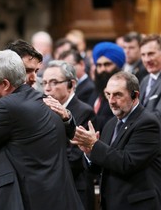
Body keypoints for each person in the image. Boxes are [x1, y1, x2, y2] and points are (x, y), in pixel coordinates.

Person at [0, 50, 84, 210]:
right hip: (56, 196)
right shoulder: (43, 99)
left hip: (29, 198)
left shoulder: (6, 106)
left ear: (5, 84)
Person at [72, 71, 161, 210]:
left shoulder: (147, 123)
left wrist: (94, 145)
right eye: (108, 94)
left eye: (118, 95)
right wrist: (89, 152)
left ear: (135, 95)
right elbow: (101, 167)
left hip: (138, 205)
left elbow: (127, 163)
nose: (111, 101)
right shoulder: (110, 124)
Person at [42, 60, 96, 210]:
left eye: (53, 82)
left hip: (75, 189)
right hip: (50, 190)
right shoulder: (43, 111)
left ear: (71, 84)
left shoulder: (84, 111)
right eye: (44, 82)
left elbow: (76, 157)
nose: (47, 88)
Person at [89, 41, 125, 132]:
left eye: (107, 64)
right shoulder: (96, 90)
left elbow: (118, 121)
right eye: (99, 65)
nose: (102, 69)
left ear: (118, 66)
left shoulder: (125, 92)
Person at [139, 34, 161, 119]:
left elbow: (158, 116)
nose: (146, 59)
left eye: (151, 54)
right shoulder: (145, 80)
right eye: (143, 55)